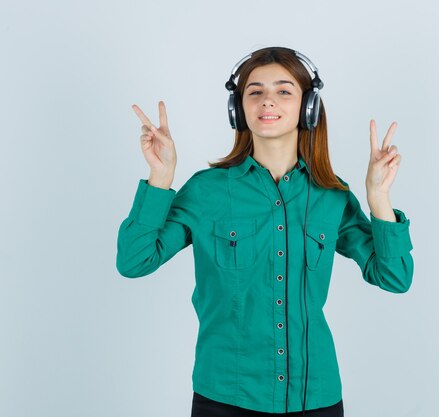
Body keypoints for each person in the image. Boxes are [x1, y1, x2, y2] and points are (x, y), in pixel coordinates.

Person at [116, 46, 414, 417]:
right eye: (254, 91)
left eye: (284, 90)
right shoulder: (207, 190)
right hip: (226, 397)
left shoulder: (331, 195)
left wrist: (379, 198)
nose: (267, 100)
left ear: (309, 107)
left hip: (314, 397)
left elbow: (394, 276)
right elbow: (134, 261)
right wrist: (160, 179)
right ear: (238, 108)